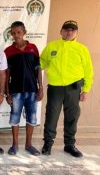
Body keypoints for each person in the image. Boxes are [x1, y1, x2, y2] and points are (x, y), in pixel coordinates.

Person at [40, 20, 93, 158]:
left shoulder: (82, 49)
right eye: (66, 29)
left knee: (72, 117)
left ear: (76, 32)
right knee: (51, 116)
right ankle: (48, 144)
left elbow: (88, 71)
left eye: (72, 30)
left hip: (73, 89)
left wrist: (86, 90)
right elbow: (41, 63)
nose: (69, 32)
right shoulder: (52, 46)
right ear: (61, 31)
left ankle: (69, 145)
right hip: (55, 88)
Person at [4, 21, 43, 156]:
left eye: (19, 32)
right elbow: (6, 73)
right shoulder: (8, 51)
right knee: (15, 117)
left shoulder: (33, 48)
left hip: (32, 90)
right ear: (11, 34)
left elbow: (38, 69)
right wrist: (7, 92)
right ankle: (14, 145)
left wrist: (41, 88)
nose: (16, 35)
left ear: (24, 32)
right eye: (13, 33)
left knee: (31, 117)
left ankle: (29, 145)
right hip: (15, 91)